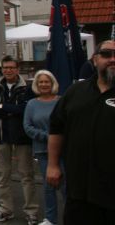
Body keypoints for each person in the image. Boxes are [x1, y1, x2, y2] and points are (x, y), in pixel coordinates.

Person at [48, 39, 115, 224]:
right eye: (106, 54)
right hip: (79, 188)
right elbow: (56, 128)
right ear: (95, 59)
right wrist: (53, 165)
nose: (112, 59)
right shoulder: (75, 92)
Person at [0, 56, 38, 223]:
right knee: (3, 175)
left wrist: (3, 107)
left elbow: (26, 109)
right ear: (2, 69)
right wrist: (12, 109)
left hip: (22, 137)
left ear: (17, 69)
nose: (8, 70)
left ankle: (31, 211)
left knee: (27, 175)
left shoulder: (27, 88)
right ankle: (5, 209)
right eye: (5, 68)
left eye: (11, 67)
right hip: (2, 136)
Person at [23, 70, 63, 225]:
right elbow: (27, 126)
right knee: (48, 186)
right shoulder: (32, 104)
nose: (44, 84)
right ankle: (50, 219)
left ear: (52, 83)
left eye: (47, 81)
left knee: (66, 186)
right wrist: (48, 136)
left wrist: (56, 138)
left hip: (62, 150)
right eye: (41, 82)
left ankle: (71, 216)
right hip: (42, 150)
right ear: (36, 84)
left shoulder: (61, 101)